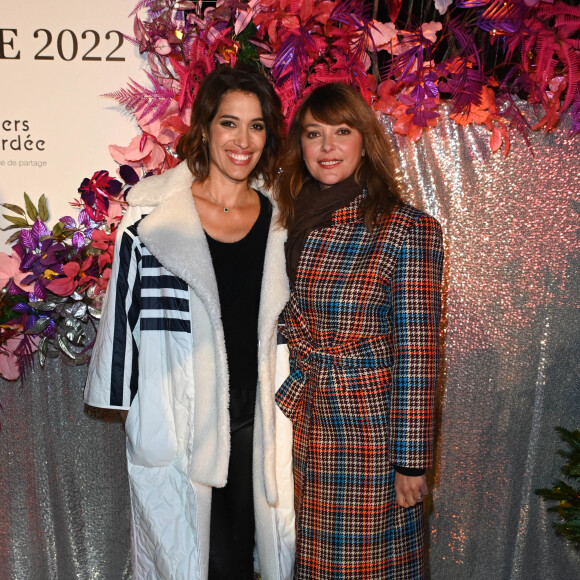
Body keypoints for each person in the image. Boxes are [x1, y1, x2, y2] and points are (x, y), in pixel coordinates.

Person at [84, 65, 295, 580]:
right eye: (229, 123)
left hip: (260, 421)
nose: (242, 140)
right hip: (183, 418)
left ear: (268, 135)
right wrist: (124, 401)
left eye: (257, 125)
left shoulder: (283, 219)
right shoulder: (151, 222)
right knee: (194, 559)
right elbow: (121, 319)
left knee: (256, 555)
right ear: (204, 128)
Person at [274, 83, 444, 579]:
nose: (327, 147)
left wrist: (412, 461)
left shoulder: (406, 228)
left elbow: (419, 353)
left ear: (364, 141)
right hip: (305, 423)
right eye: (313, 134)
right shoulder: (289, 220)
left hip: (369, 435)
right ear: (299, 146)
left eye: (341, 132)